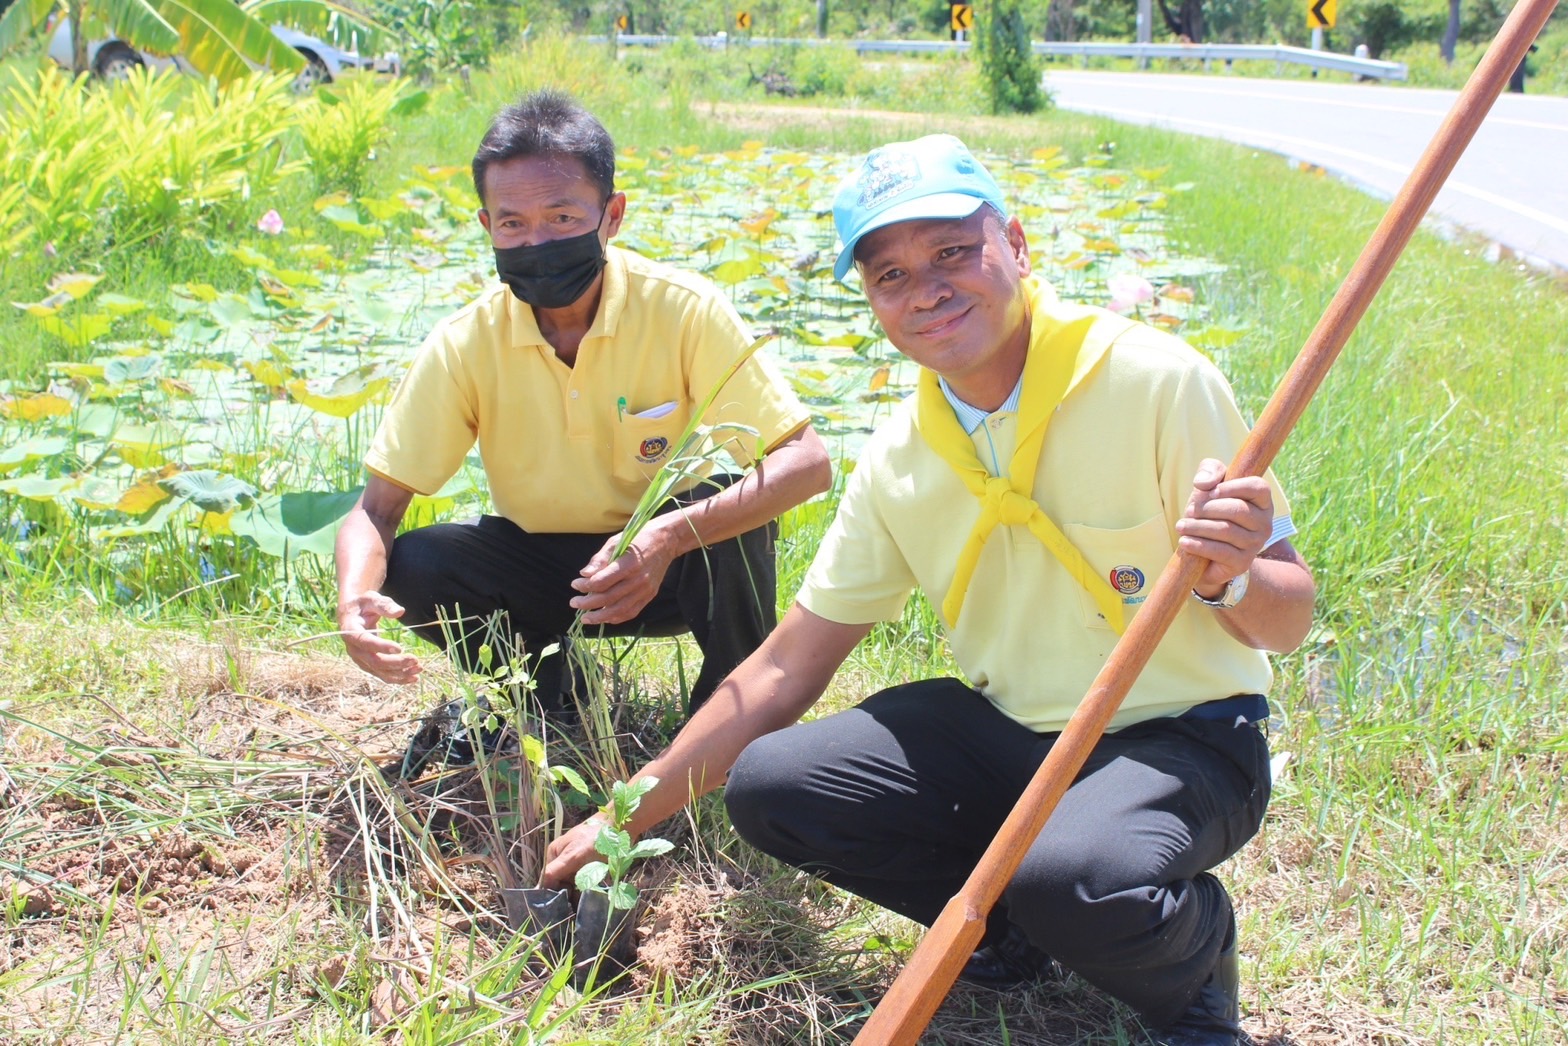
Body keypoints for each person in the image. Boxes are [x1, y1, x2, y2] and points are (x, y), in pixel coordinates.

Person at [543, 134, 1316, 1045]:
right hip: (1011, 734)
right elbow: (786, 665)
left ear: (1017, 246)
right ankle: (1021, 930)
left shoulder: (1156, 381)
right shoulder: (901, 456)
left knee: (1077, 875)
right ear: (873, 300)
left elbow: (1290, 614)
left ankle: (1191, 975)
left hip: (1184, 738)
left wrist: (1231, 578)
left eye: (953, 251)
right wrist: (629, 811)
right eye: (891, 274)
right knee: (771, 786)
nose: (928, 289)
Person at [334, 90, 831, 756]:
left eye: (562, 216)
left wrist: (662, 539)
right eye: (512, 225)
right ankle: (556, 699)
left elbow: (807, 462)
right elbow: (377, 509)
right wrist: (352, 600)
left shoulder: (683, 310)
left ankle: (727, 728)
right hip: (548, 573)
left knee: (732, 522)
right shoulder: (466, 341)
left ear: (612, 216)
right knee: (416, 562)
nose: (537, 243)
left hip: (675, 565)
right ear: (487, 226)